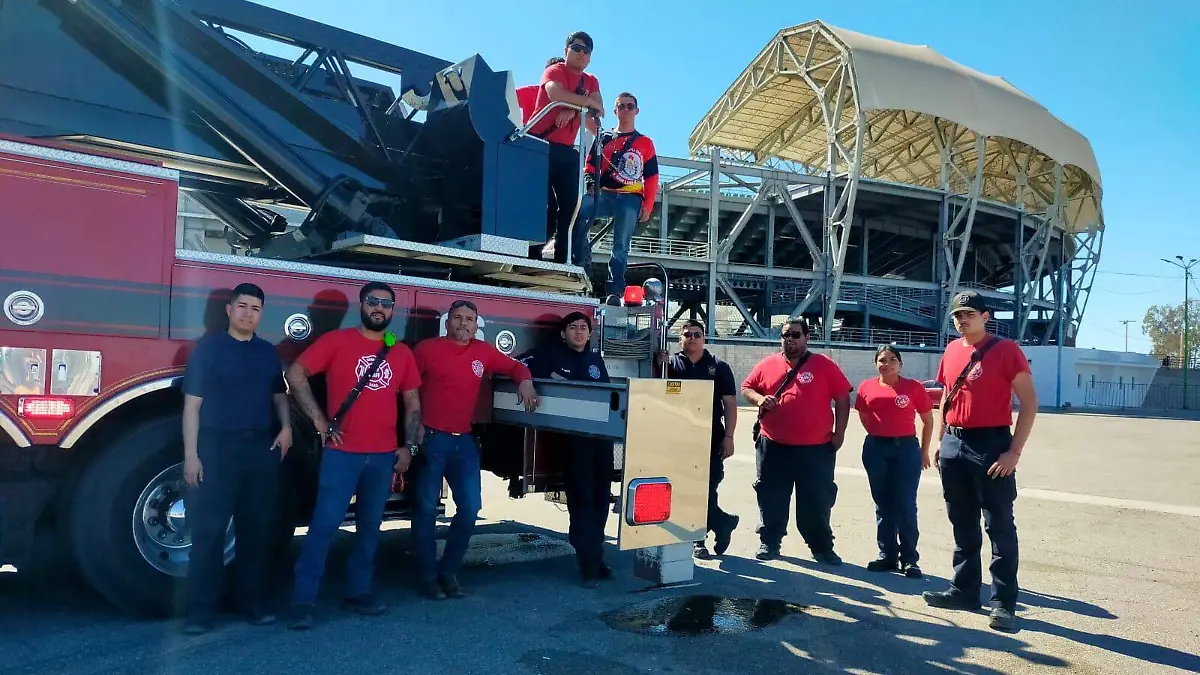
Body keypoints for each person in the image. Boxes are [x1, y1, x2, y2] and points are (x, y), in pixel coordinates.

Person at [284, 282, 423, 630]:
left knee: (369, 529)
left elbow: (412, 404)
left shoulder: (401, 352)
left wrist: (409, 447)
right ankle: (303, 600)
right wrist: (318, 420)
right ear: (361, 305)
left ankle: (358, 592)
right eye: (373, 301)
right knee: (324, 526)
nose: (379, 308)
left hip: (382, 457)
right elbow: (295, 373)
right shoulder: (337, 341)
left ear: (393, 310)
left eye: (386, 303)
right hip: (341, 454)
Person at [922, 290, 1037, 633]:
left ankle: (1003, 602)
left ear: (986, 317)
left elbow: (1029, 404)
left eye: (969, 314)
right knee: (962, 521)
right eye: (957, 315)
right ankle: (964, 590)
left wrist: (1013, 452)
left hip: (991, 443)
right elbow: (946, 395)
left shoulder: (1006, 351)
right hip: (956, 443)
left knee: (999, 525)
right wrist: (943, 439)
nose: (961, 320)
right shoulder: (952, 351)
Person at [181, 282, 292, 635]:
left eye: (255, 309)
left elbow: (279, 395)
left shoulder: (267, 352)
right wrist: (191, 456)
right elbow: (192, 406)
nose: (248, 314)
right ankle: (201, 612)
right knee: (209, 534)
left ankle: (251, 604)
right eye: (242, 306)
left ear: (261, 314)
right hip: (216, 450)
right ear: (229, 310)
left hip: (259, 451)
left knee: (256, 532)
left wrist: (287, 427)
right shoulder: (208, 349)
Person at [412, 299, 540, 599]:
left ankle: (448, 572)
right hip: (431, 439)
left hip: (464, 441)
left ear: (476, 324)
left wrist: (526, 382)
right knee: (426, 509)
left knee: (470, 508)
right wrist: (413, 428)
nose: (463, 323)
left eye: (470, 319)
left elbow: (515, 366)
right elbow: (408, 390)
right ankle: (428, 576)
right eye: (458, 318)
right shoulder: (427, 350)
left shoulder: (482, 353)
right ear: (448, 322)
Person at [740, 319, 851, 565]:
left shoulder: (823, 365)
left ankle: (821, 547)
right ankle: (770, 541)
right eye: (785, 335)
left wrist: (839, 433)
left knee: (816, 500)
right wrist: (759, 399)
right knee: (771, 496)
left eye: (795, 335)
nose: (790, 339)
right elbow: (747, 387)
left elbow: (843, 399)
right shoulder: (768, 364)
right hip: (773, 446)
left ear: (807, 337)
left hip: (816, 449)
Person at [517, 311, 614, 586]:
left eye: (584, 328)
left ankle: (597, 555)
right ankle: (588, 564)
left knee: (600, 500)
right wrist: (534, 381)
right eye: (573, 328)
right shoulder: (548, 355)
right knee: (581, 500)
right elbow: (518, 365)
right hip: (574, 443)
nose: (579, 332)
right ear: (563, 333)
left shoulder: (595, 360)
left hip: (601, 440)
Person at [660, 320, 739, 558]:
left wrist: (729, 436)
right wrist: (659, 366)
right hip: (679, 437)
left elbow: (730, 404)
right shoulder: (670, 364)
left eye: (697, 334)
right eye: (687, 334)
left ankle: (699, 538)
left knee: (707, 488)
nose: (692, 338)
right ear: (680, 339)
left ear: (704, 338)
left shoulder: (719, 366)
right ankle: (718, 524)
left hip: (711, 436)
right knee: (683, 489)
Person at [854, 345, 934, 578]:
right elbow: (864, 413)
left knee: (906, 504)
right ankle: (887, 555)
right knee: (883, 504)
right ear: (875, 363)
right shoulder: (867, 387)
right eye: (881, 360)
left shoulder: (913, 387)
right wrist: (878, 433)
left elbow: (928, 420)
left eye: (891, 359)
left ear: (900, 363)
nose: (886, 364)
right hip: (876, 449)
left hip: (906, 449)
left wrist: (924, 451)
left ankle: (909, 559)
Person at [575, 92, 659, 304]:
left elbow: (652, 176)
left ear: (637, 111)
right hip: (605, 194)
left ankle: (616, 289)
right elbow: (590, 165)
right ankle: (582, 262)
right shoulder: (603, 138)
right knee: (576, 213)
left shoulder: (645, 142)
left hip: (631, 197)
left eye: (630, 106)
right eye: (621, 106)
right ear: (615, 111)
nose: (625, 110)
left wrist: (647, 204)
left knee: (621, 245)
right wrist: (590, 182)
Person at [526, 31, 603, 263]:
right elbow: (554, 92)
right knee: (543, 206)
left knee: (571, 206)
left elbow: (598, 110)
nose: (581, 53)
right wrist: (586, 103)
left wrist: (572, 110)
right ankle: (533, 255)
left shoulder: (591, 81)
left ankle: (563, 259)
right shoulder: (555, 70)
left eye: (586, 50)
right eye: (577, 48)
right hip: (539, 147)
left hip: (566, 151)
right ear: (566, 50)